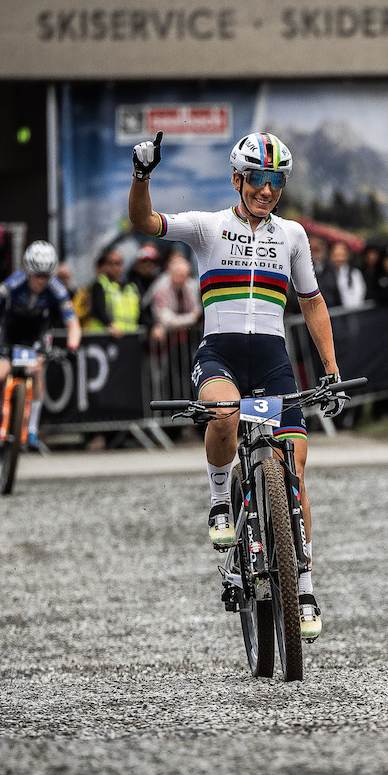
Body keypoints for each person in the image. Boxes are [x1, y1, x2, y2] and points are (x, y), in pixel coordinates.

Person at [128, 130, 344, 643]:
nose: (266, 190)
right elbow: (143, 221)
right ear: (237, 179)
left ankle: (305, 583)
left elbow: (311, 302)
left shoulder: (292, 235)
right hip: (220, 355)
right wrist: (141, 175)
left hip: (272, 364)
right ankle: (221, 498)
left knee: (293, 470)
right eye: (256, 179)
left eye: (275, 181)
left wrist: (331, 369)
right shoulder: (208, 227)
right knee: (223, 414)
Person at [0, 240, 81, 450]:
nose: (41, 281)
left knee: (36, 370)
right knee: (0, 375)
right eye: (37, 275)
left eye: (46, 276)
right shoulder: (14, 282)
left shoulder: (57, 289)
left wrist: (72, 347)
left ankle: (31, 431)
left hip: (37, 333)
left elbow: (73, 324)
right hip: (9, 331)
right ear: (28, 271)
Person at [79, 248, 142, 336]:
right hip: (105, 337)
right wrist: (110, 325)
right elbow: (98, 309)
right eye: (110, 263)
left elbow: (140, 311)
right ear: (105, 265)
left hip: (129, 336)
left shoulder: (131, 287)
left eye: (118, 263)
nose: (115, 267)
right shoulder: (99, 284)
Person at [149, 254, 202, 342]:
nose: (183, 280)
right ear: (171, 273)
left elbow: (197, 310)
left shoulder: (190, 284)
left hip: (183, 337)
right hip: (159, 335)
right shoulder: (161, 287)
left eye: (186, 276)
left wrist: (190, 318)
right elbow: (166, 320)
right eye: (180, 275)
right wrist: (190, 318)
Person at [319, 240, 367, 308]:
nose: (339, 259)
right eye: (336, 255)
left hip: (349, 312)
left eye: (342, 255)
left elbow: (357, 297)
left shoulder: (354, 273)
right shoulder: (324, 273)